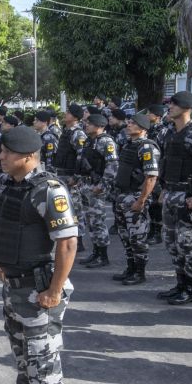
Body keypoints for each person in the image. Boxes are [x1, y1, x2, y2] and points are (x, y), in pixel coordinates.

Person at [0, 125, 77, 384]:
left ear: (27, 157)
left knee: (43, 361)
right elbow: (7, 227)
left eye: (7, 153)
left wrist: (54, 291)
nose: (1, 157)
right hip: (15, 289)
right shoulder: (14, 186)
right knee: (25, 360)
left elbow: (68, 243)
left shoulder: (49, 190)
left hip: (39, 292)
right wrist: (0, 261)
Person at [157, 91, 192, 305]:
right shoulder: (169, 133)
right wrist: (163, 188)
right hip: (171, 192)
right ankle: (180, 284)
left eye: (174, 104)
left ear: (187, 108)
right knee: (172, 242)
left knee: (188, 244)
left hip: (189, 195)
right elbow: (165, 162)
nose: (170, 107)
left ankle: (191, 288)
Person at [112, 113, 160, 285]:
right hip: (123, 195)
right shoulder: (129, 145)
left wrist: (141, 200)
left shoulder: (147, 148)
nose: (128, 125)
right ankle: (130, 268)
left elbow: (151, 177)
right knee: (125, 235)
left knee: (137, 237)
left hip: (135, 196)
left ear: (142, 128)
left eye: (132, 123)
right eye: (129, 122)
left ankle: (140, 272)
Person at [76, 114, 118, 268]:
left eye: (89, 123)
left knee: (98, 221)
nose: (86, 125)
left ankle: (103, 255)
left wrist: (103, 185)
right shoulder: (90, 141)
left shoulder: (106, 142)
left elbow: (112, 166)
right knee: (90, 221)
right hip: (87, 186)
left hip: (97, 187)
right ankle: (96, 252)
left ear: (99, 125)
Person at [52, 105, 88, 250]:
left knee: (76, 209)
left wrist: (77, 177)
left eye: (68, 113)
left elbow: (82, 157)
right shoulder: (66, 132)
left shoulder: (78, 134)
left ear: (75, 117)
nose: (65, 114)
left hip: (71, 177)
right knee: (66, 208)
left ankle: (79, 240)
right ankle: (69, 236)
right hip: (62, 174)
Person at [146, 104, 167, 245]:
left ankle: (157, 231)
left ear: (157, 117)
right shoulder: (150, 130)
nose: (147, 115)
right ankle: (152, 229)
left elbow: (164, 153)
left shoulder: (163, 131)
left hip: (158, 170)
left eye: (150, 112)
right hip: (150, 168)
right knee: (151, 203)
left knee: (156, 204)